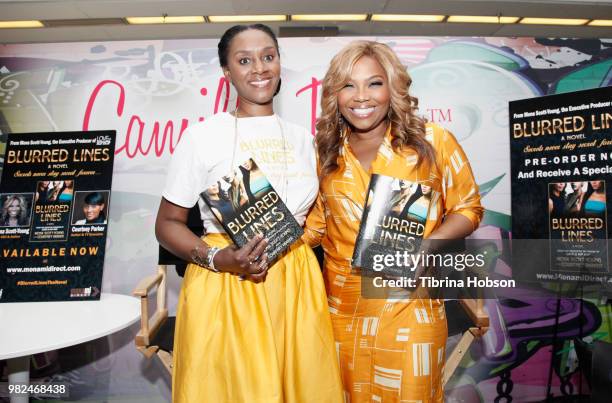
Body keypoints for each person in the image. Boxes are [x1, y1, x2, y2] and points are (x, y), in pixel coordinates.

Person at [155, 24, 342, 402]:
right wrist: (220, 258)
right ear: (227, 73)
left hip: (295, 281)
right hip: (227, 282)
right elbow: (166, 225)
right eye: (245, 60)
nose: (259, 68)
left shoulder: (305, 140)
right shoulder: (203, 136)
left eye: (268, 57)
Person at [304, 40, 483, 402]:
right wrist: (266, 243)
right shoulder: (324, 151)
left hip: (410, 307)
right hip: (341, 311)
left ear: (393, 87)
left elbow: (468, 208)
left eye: (374, 83)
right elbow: (318, 227)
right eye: (347, 85)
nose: (361, 96)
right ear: (334, 94)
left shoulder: (432, 141)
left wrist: (428, 245)